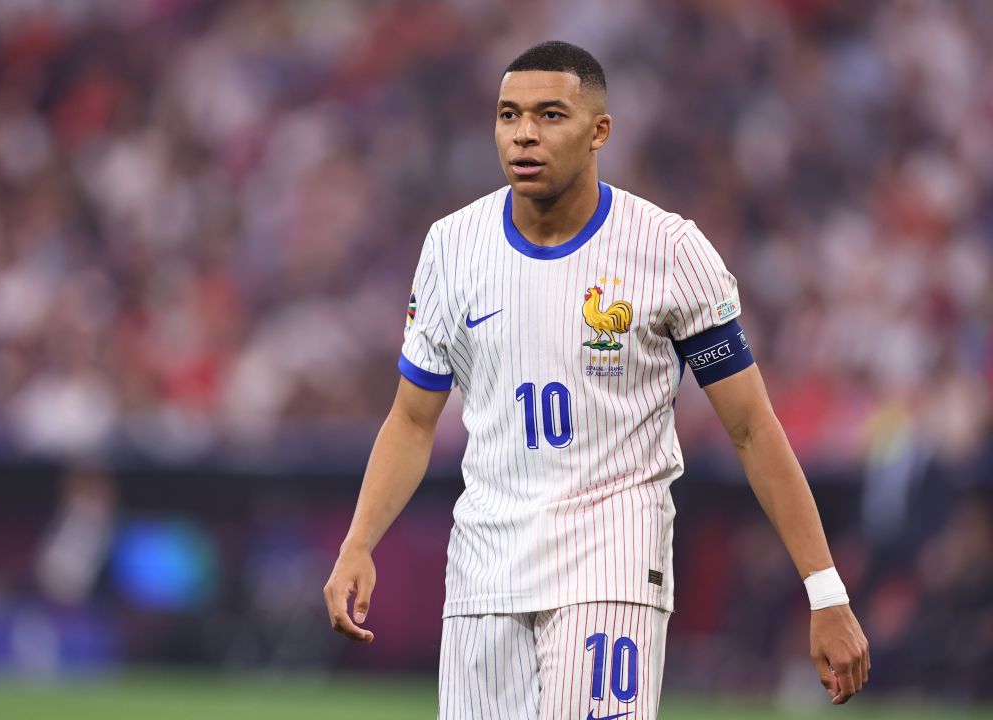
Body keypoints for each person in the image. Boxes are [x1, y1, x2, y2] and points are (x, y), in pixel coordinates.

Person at [323, 40, 869, 719]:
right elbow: (411, 419)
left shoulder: (669, 250)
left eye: (551, 115)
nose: (525, 133)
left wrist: (824, 591)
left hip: (611, 560)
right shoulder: (452, 247)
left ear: (599, 131)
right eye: (509, 115)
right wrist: (359, 543)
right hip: (484, 570)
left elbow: (753, 427)